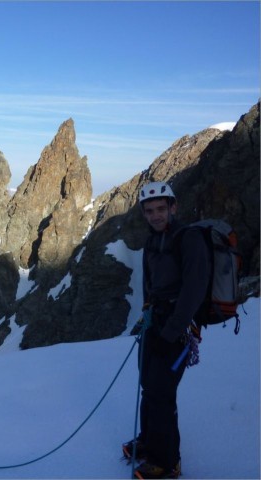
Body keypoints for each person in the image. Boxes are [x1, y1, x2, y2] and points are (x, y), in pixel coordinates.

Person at [123, 181, 210, 479]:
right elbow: (151, 285)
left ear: (173, 207)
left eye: (161, 209)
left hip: (177, 328)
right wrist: (146, 317)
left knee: (162, 392)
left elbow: (194, 290)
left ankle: (167, 461)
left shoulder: (189, 239)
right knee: (148, 384)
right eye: (150, 211)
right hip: (155, 320)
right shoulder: (152, 241)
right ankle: (149, 442)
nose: (156, 215)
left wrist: (171, 333)